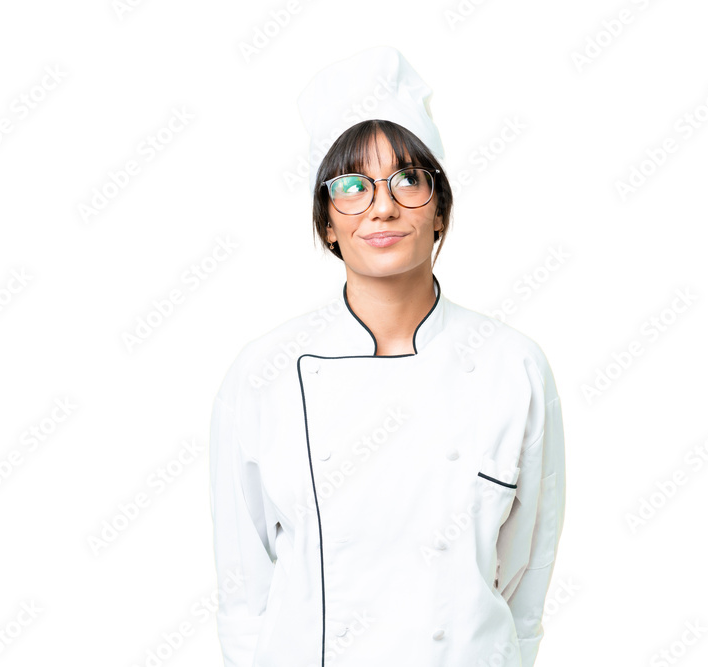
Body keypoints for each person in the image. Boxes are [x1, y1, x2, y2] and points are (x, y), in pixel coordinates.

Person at [209, 45, 565, 667]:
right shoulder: (265, 372)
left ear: (440, 209)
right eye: (351, 186)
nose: (382, 205)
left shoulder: (512, 366)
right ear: (327, 223)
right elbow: (245, 589)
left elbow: (525, 571)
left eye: (408, 179)